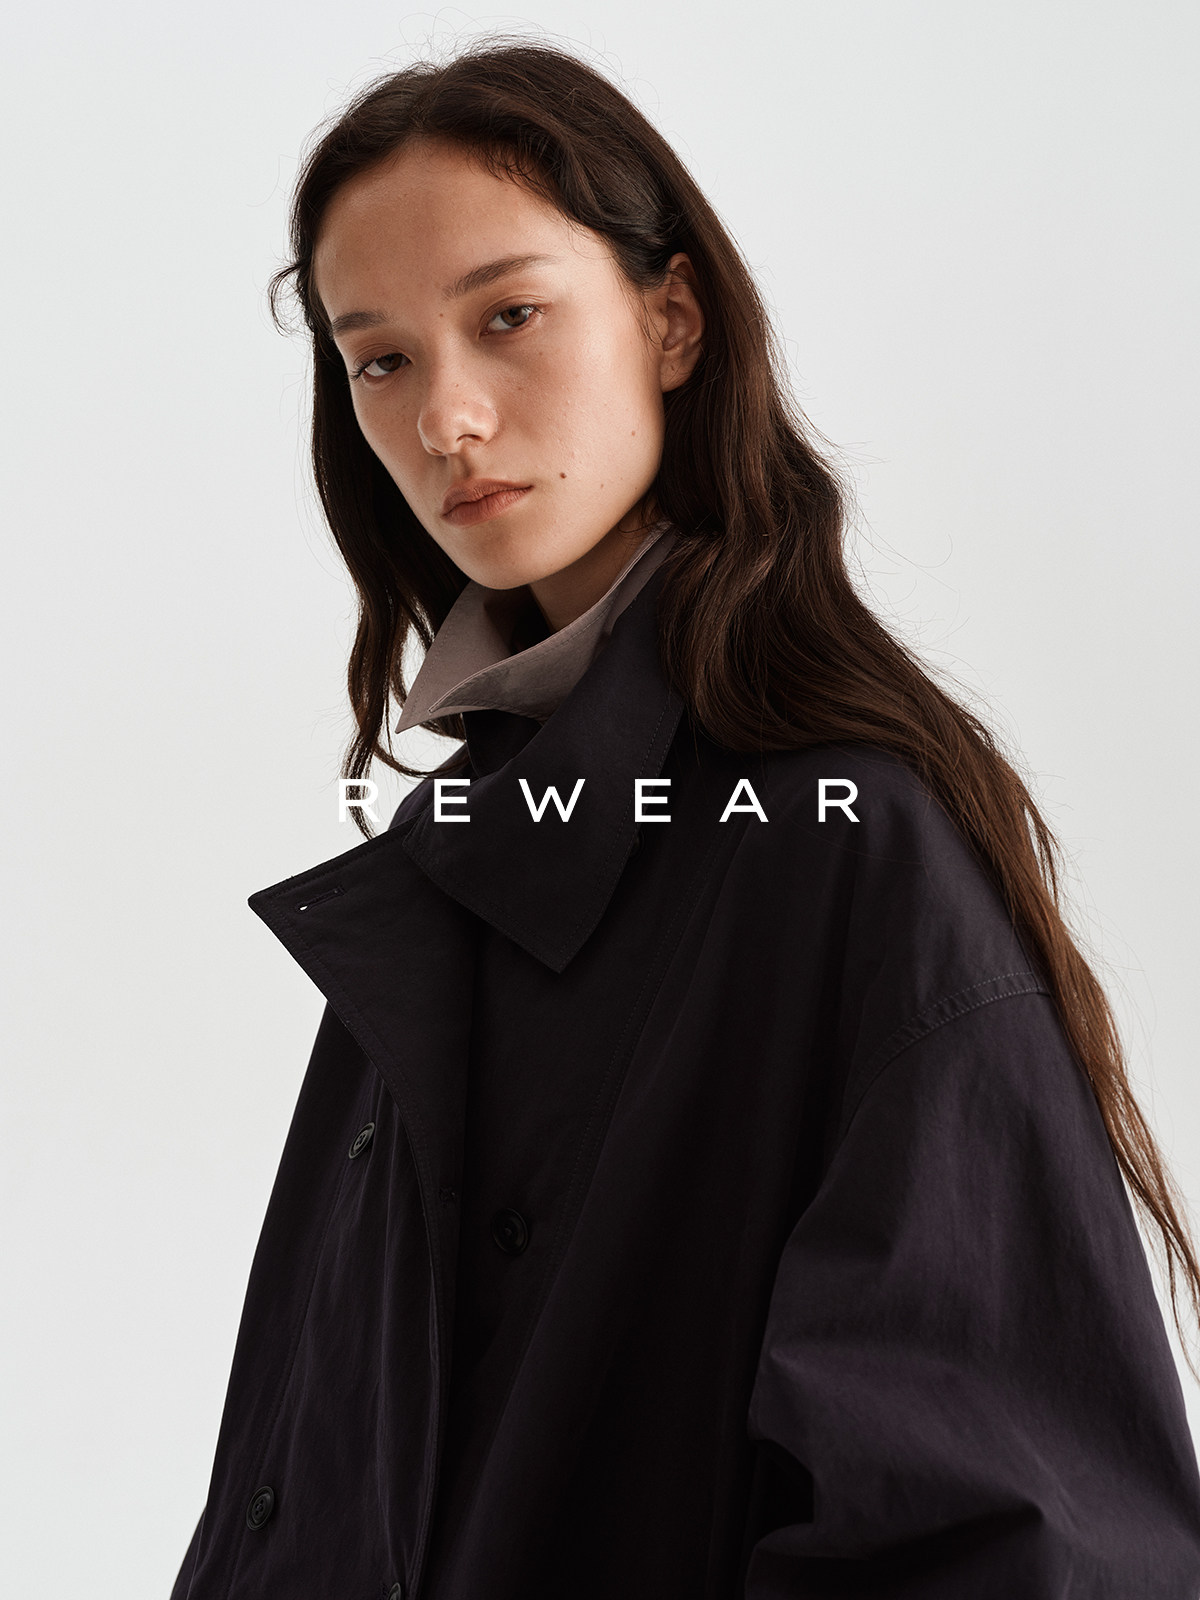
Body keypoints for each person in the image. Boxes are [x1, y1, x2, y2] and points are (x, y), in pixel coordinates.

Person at [169, 38, 1200, 1600]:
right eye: (378, 359)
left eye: (508, 317)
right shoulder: (478, 838)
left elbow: (1011, 1538)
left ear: (671, 318)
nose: (447, 417)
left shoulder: (838, 835)